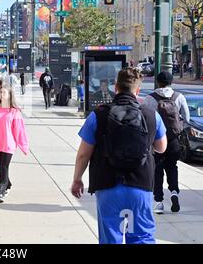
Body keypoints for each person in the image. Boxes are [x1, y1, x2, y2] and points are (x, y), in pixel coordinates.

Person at [71, 68, 168, 244]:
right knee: (142, 236)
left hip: (107, 184)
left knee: (110, 237)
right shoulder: (151, 115)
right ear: (137, 90)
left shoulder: (98, 115)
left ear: (116, 87)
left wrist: (77, 179)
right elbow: (162, 148)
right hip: (140, 183)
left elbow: (83, 155)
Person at [143, 71, 190, 214]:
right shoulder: (179, 97)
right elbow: (186, 118)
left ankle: (159, 202)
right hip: (174, 140)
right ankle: (174, 192)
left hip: (157, 140)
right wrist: (178, 130)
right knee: (172, 167)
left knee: (157, 169)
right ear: (171, 82)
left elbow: (146, 119)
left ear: (157, 82)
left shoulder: (150, 98)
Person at [0, 84, 29, 203]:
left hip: (8, 144)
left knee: (4, 167)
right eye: (0, 93)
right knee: (1, 168)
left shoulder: (14, 112)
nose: (1, 95)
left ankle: (1, 192)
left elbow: (19, 130)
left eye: (4, 93)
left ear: (9, 95)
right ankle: (8, 184)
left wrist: (23, 146)